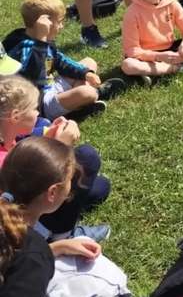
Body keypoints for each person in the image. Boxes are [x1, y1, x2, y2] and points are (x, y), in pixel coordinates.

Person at [0, 137, 163, 297]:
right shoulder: (33, 257)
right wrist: (42, 253)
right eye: (70, 180)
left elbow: (13, 259)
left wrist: (56, 248)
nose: (71, 188)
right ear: (52, 193)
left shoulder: (20, 238)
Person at [0, 76, 110, 241]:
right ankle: (61, 235)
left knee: (101, 187)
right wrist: (59, 146)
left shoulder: (9, 137)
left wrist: (47, 136)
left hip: (38, 198)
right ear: (15, 116)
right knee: (87, 158)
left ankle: (65, 213)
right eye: (34, 108)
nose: (38, 113)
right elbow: (34, 187)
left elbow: (28, 139)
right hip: (26, 216)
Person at [4, 0, 125, 119]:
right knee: (86, 93)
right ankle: (90, 97)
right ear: (45, 24)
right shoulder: (24, 47)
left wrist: (85, 73)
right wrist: (41, 41)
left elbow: (59, 60)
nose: (62, 26)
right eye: (59, 22)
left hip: (52, 86)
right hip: (40, 102)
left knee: (89, 63)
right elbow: (33, 77)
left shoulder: (45, 40)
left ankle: (79, 103)